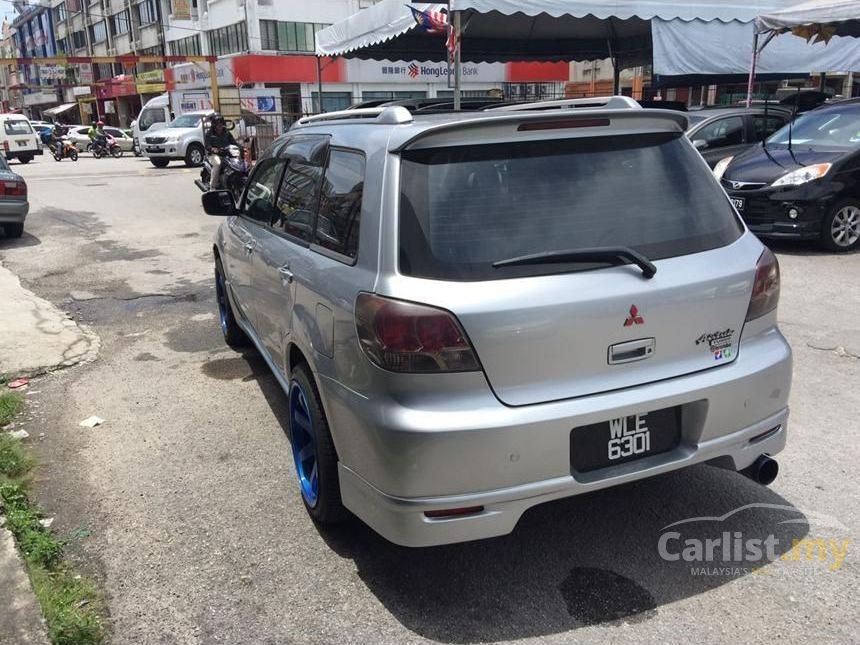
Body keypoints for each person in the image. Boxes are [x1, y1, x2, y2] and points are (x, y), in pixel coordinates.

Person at [204, 113, 237, 189]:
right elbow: (207, 146)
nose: (220, 125)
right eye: (218, 124)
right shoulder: (209, 134)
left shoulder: (227, 133)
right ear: (214, 125)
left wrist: (241, 146)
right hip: (214, 155)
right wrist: (213, 149)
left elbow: (234, 143)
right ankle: (213, 186)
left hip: (227, 154)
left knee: (237, 163)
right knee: (218, 164)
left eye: (221, 123)